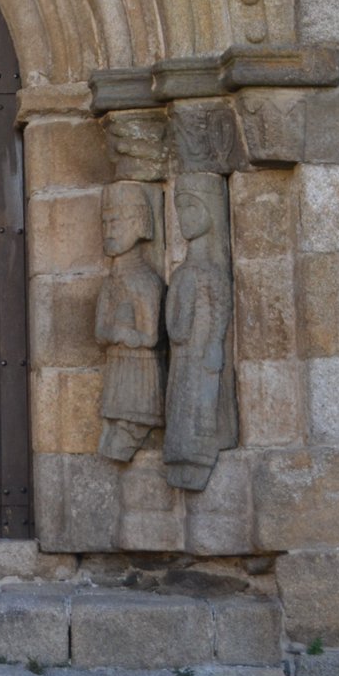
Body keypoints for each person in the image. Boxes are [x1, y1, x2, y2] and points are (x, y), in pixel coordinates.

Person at [163, 173, 238, 491]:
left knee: (202, 401)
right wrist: (177, 330)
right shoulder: (182, 271)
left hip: (202, 350)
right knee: (181, 398)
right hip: (182, 353)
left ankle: (202, 449)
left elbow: (220, 311)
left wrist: (215, 344)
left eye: (192, 209)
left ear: (210, 210)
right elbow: (173, 317)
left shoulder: (211, 272)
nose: (183, 218)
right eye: (179, 210)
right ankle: (179, 451)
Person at [95, 182, 165, 462]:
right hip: (118, 369)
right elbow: (100, 331)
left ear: (138, 224)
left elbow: (150, 337)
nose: (109, 229)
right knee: (110, 441)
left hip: (139, 377)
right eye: (105, 222)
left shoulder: (144, 281)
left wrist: (123, 333)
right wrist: (117, 333)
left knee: (122, 438)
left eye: (117, 221)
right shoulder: (111, 281)